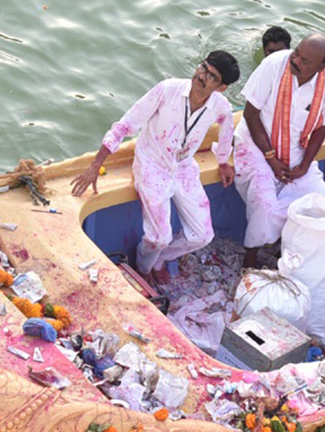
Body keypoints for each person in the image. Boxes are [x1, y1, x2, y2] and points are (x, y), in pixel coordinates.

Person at [71, 51, 241, 284]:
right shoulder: (167, 90)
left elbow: (227, 129)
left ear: (221, 87)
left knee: (203, 235)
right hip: (152, 165)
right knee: (159, 237)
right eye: (202, 67)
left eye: (211, 76)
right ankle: (143, 267)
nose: (201, 76)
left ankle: (160, 260)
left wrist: (223, 161)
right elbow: (125, 125)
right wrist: (95, 165)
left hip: (183, 168)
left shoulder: (220, 106)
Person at [234, 34, 325, 267]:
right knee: (264, 206)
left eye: (305, 61)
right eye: (297, 54)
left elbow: (322, 127)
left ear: (321, 67)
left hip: (297, 151)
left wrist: (304, 166)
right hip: (255, 144)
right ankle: (250, 259)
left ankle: (290, 251)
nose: (296, 61)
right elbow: (250, 114)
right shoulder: (273, 65)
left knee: (324, 206)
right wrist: (271, 158)